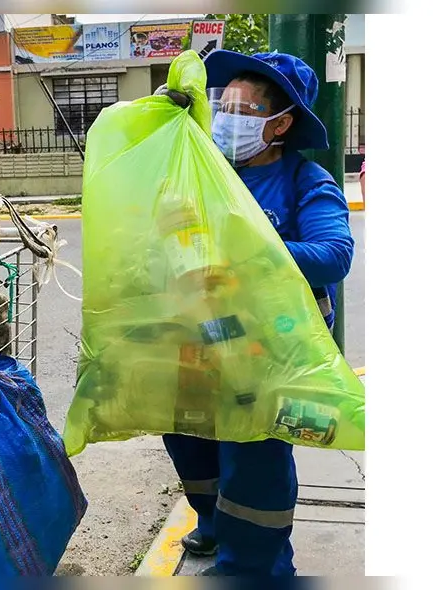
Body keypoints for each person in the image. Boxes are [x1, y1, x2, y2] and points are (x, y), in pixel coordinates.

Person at [159, 50, 355, 576]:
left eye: (243, 110)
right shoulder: (208, 168)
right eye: (224, 105)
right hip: (201, 341)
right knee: (189, 442)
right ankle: (214, 523)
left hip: (268, 355)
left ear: (281, 123)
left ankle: (256, 565)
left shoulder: (303, 181)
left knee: (254, 460)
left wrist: (250, 249)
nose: (227, 118)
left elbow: (335, 253)